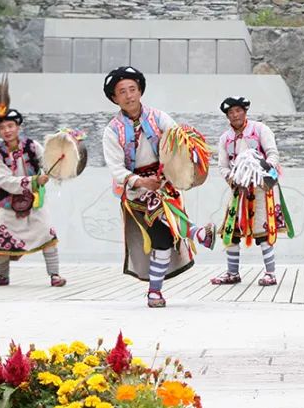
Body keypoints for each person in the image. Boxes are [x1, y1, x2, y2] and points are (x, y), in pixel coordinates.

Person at [101, 66, 216, 308]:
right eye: (122, 92)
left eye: (133, 89)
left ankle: (155, 292)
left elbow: (176, 139)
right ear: (114, 98)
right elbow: (117, 170)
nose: (129, 95)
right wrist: (142, 182)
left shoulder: (158, 117)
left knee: (163, 241)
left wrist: (185, 152)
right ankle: (198, 233)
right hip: (136, 192)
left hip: (163, 184)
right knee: (161, 219)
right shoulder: (112, 131)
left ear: (140, 90)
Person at [0, 77, 65, 288]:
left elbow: (46, 161)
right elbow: (5, 181)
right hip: (9, 204)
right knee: (0, 236)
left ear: (18, 126)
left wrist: (51, 170)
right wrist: (34, 180)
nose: (7, 130)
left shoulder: (32, 145)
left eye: (10, 125)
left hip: (34, 201)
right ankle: (3, 276)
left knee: (47, 232)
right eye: (3, 127)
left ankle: (55, 275)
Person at [211, 96, 293, 287]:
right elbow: (222, 166)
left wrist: (260, 170)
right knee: (231, 230)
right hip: (238, 189)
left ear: (245, 112)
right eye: (231, 112)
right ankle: (232, 273)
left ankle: (270, 273)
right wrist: (234, 177)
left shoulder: (260, 130)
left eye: (238, 111)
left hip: (261, 187)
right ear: (227, 116)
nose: (235, 115)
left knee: (263, 230)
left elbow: (273, 154)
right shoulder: (225, 138)